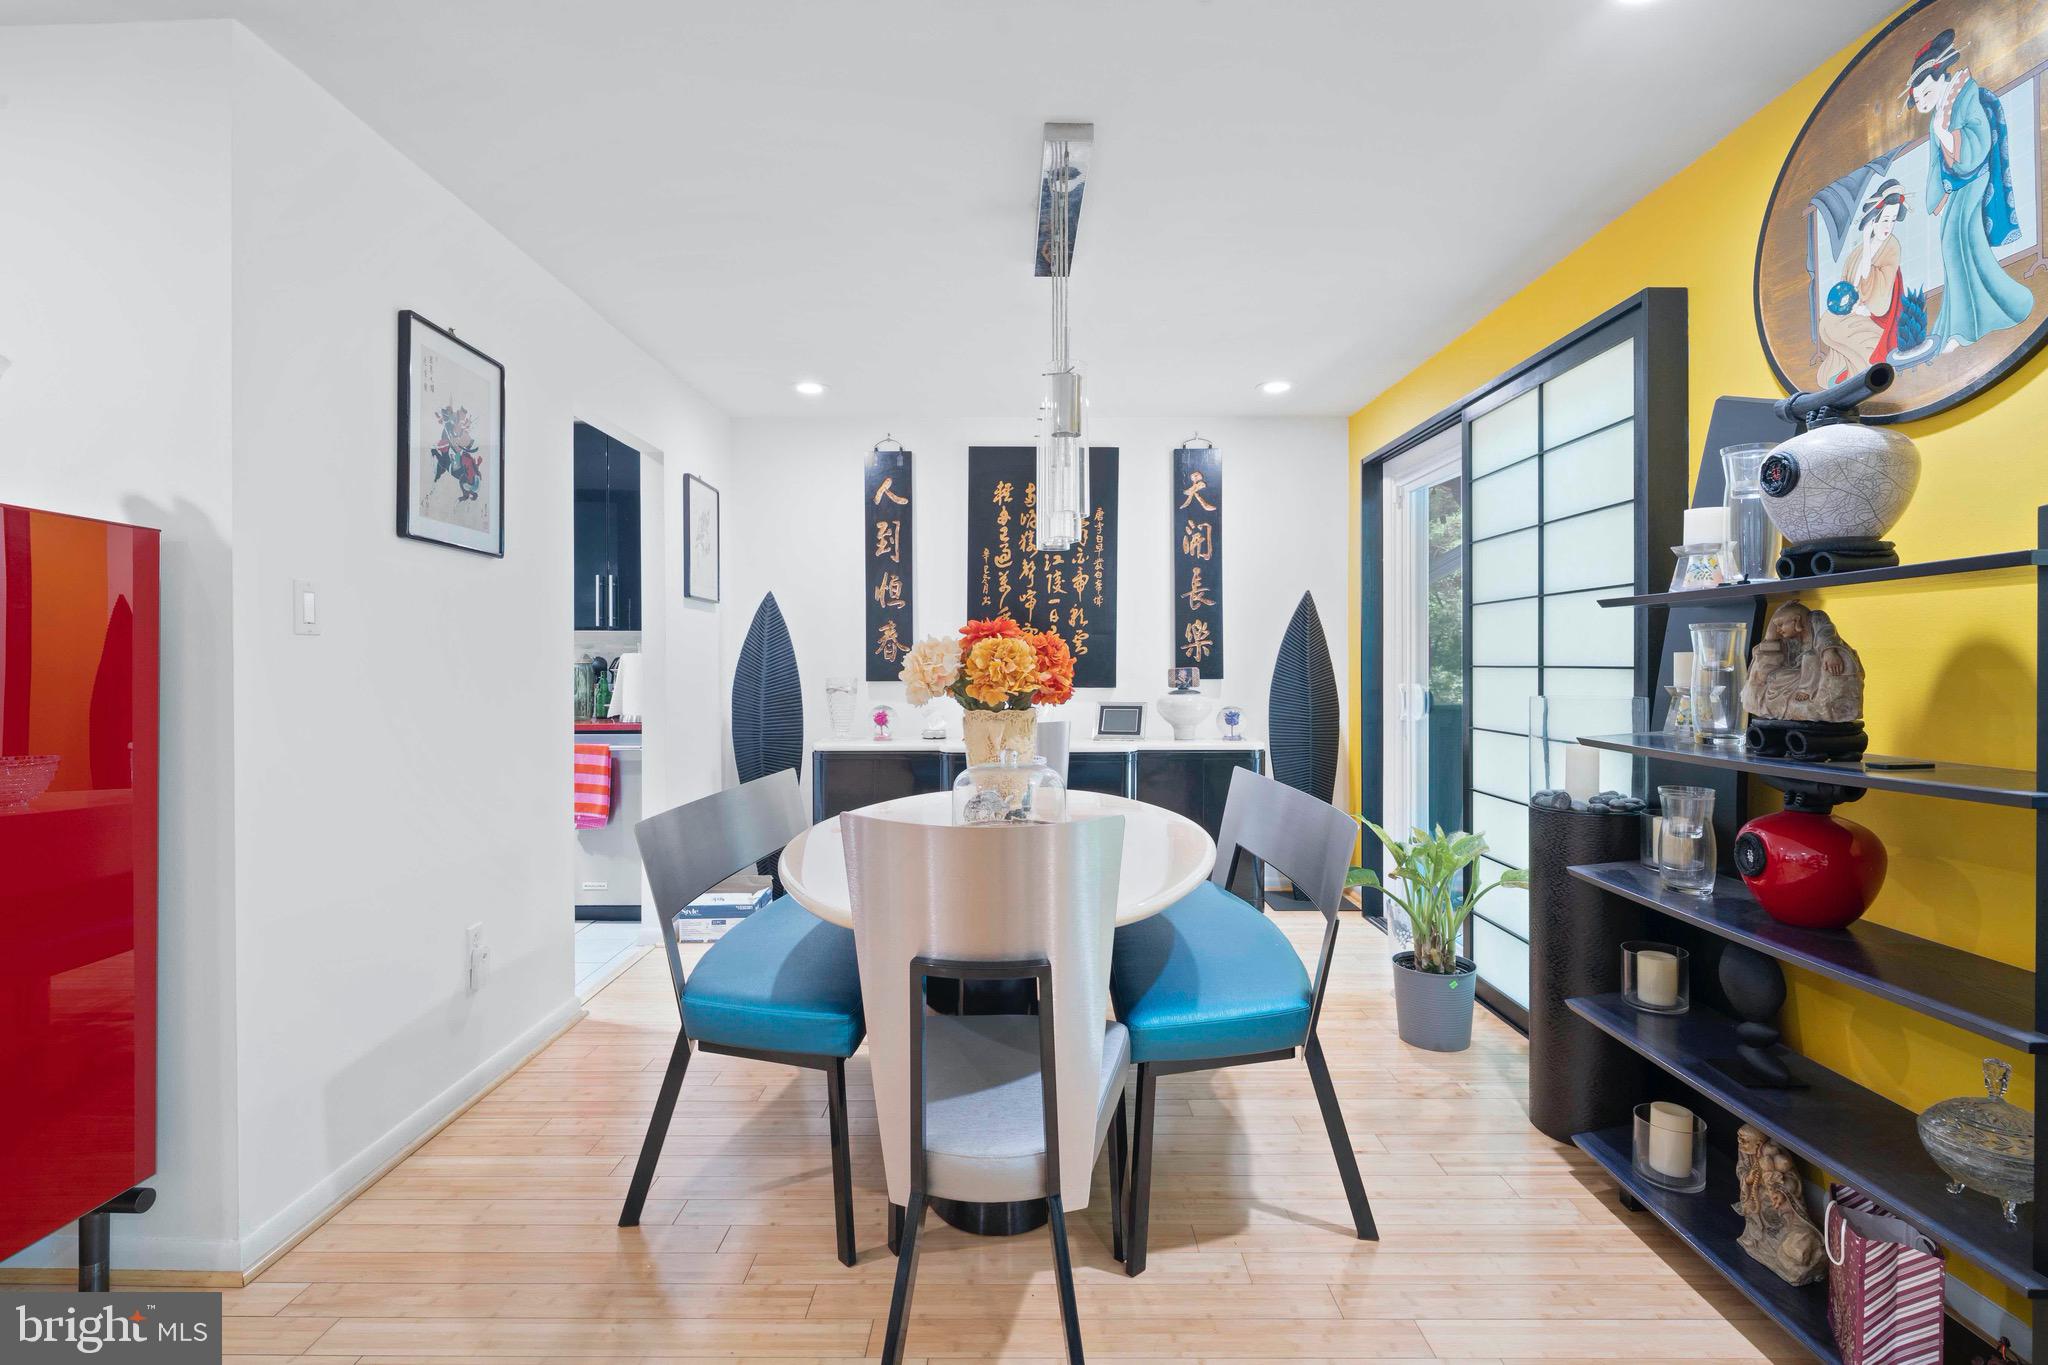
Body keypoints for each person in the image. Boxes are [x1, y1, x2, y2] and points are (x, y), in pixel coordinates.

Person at [1908, 29, 2034, 352]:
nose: (1923, 102)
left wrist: (1948, 136)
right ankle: (1961, 324)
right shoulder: (1937, 117)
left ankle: (1966, 329)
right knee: (1952, 245)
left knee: (1960, 243)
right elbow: (1936, 163)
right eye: (1918, 100)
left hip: (1975, 178)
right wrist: (1937, 193)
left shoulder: (1966, 95)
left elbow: (1978, 141)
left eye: (1926, 93)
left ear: (1940, 77)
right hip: (1955, 188)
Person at [1816, 181, 1908, 386]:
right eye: (1885, 219)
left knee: (1863, 344)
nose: (1888, 226)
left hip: (1876, 314)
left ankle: (1859, 377)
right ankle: (1848, 371)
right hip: (1855, 310)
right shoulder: (1857, 253)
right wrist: (1866, 243)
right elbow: (1849, 284)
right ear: (1873, 219)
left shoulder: (1891, 246)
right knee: (1827, 323)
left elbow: (1878, 286)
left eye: (1893, 220)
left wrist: (1864, 307)